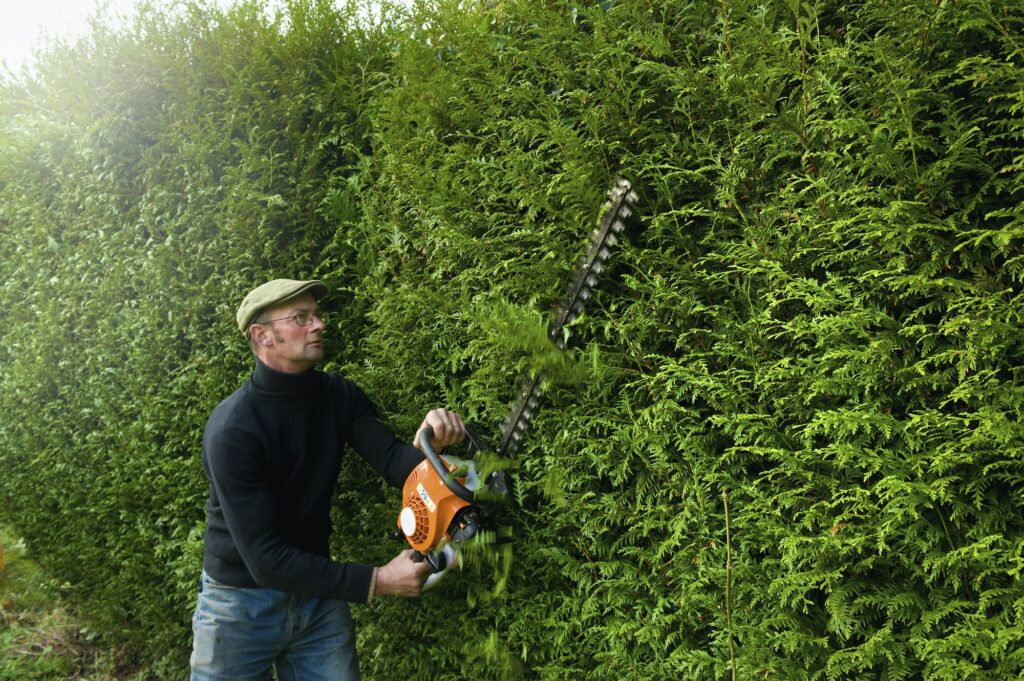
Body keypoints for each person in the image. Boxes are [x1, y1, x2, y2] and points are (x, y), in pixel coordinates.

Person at [190, 278, 465, 681]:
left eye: (316, 315)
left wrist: (434, 455)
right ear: (262, 335)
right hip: (237, 607)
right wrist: (379, 581)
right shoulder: (234, 430)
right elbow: (266, 560)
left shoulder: (338, 395)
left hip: (317, 597)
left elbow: (391, 460)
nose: (319, 324)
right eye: (301, 317)